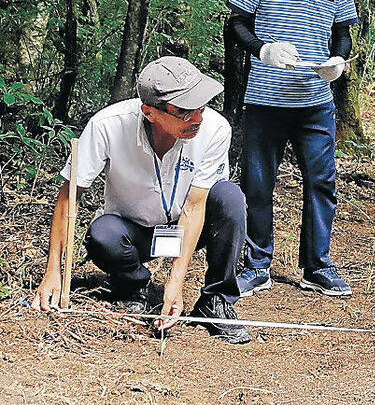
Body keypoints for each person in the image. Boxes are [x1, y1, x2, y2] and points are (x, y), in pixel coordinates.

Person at [32, 57, 250, 345]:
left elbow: (195, 206)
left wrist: (175, 282)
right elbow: (68, 198)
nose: (197, 117)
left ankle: (216, 300)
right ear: (149, 112)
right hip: (133, 233)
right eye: (185, 111)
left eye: (201, 106)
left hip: (186, 228)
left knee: (230, 198)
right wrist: (53, 273)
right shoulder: (107, 126)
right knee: (103, 234)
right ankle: (132, 286)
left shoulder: (214, 129)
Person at [228, 0, 358, 299]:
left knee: (322, 182)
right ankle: (257, 264)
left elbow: (342, 34)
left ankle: (317, 265)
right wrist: (262, 48)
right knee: (258, 184)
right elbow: (236, 25)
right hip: (265, 99)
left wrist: (337, 61)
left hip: (315, 102)